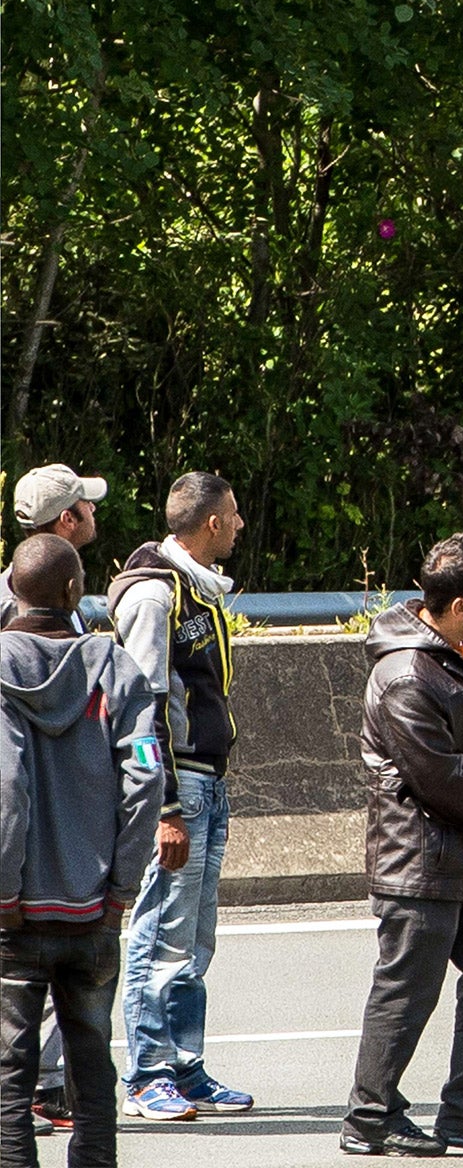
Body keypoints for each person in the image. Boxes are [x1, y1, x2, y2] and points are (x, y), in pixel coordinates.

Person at [342, 536, 463, 1158]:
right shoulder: (407, 674)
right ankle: (370, 1116)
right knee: (406, 992)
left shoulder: (461, 649)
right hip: (420, 860)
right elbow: (439, 777)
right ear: (457, 605)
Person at [0, 535, 164, 1163]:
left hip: (15, 913)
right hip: (93, 909)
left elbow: (8, 786)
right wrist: (121, 888)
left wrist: (6, 889)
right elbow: (147, 775)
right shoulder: (117, 667)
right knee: (93, 1067)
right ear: (74, 592)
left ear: (13, 588)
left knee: (10, 1077)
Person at [107, 470, 253, 1121]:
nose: (243, 525)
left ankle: (185, 1064)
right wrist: (162, 805)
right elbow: (140, 710)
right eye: (236, 514)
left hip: (208, 782)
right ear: (212, 523)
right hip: (179, 787)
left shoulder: (199, 590)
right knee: (159, 932)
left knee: (195, 938)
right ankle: (145, 1075)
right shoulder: (154, 597)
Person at [1, 466, 108, 628]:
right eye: (86, 501)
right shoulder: (12, 605)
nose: (93, 507)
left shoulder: (57, 581)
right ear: (68, 519)